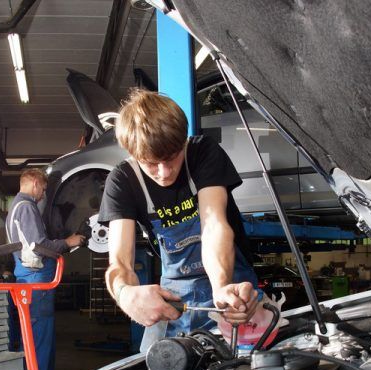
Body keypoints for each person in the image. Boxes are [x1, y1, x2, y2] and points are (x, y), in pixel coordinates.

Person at [98, 89, 259, 351]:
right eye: (151, 163)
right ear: (133, 154)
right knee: (157, 366)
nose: (163, 172)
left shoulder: (203, 152)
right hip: (175, 298)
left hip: (232, 285)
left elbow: (214, 226)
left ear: (182, 141)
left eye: (171, 158)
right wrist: (124, 294)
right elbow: (120, 261)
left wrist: (221, 288)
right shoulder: (122, 181)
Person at [6, 169, 85, 370]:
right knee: (39, 343)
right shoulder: (27, 207)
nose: (43, 194)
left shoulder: (16, 207)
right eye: (43, 188)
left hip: (28, 278)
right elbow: (38, 246)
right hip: (36, 281)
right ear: (33, 183)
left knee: (32, 341)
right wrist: (68, 242)